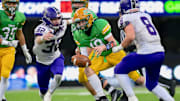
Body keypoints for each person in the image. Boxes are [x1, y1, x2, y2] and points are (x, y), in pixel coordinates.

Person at [72, 7, 144, 101]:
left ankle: (159, 88)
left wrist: (104, 47)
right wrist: (80, 57)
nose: (80, 25)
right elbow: (85, 56)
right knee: (87, 69)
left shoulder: (100, 24)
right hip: (100, 55)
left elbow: (113, 43)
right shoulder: (79, 34)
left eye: (83, 21)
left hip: (114, 53)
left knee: (138, 79)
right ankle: (102, 97)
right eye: (78, 22)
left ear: (90, 19)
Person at [112, 0, 174, 101]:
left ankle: (131, 97)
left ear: (123, 9)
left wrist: (119, 47)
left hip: (146, 53)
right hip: (159, 52)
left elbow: (130, 36)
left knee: (119, 69)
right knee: (151, 84)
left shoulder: (125, 18)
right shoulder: (146, 15)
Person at [71, 0, 123, 101]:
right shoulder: (76, 23)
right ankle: (106, 93)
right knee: (85, 73)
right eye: (75, 2)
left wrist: (104, 47)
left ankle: (108, 95)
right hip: (86, 46)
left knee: (133, 73)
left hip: (103, 49)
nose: (77, 5)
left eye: (80, 3)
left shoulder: (97, 23)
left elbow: (113, 43)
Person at [33, 7, 73, 101]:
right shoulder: (42, 29)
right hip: (42, 61)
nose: (57, 21)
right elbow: (37, 40)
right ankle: (45, 93)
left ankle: (49, 94)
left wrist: (82, 17)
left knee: (58, 75)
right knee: (43, 89)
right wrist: (43, 38)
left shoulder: (62, 24)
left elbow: (69, 21)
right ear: (47, 20)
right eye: (53, 19)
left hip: (56, 56)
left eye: (58, 18)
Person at [0, 0, 32, 101]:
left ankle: (0, 97)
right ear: (4, 4)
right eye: (9, 3)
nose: (12, 6)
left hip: (9, 50)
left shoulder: (20, 16)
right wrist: (5, 42)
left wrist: (25, 50)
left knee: (5, 74)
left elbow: (19, 33)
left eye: (14, 3)